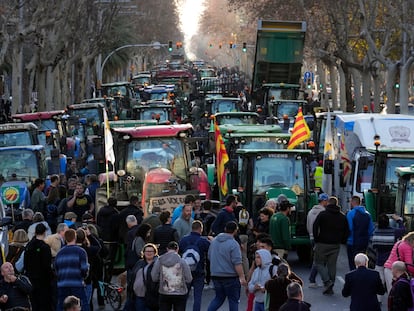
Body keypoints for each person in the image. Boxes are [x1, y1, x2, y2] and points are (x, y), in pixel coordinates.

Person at [313, 196, 349, 295]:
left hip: (322, 242)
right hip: (335, 244)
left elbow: (315, 226)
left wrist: (316, 239)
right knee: (332, 265)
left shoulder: (322, 214)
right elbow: (347, 230)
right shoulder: (342, 216)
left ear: (328, 203)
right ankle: (331, 285)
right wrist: (342, 241)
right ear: (337, 204)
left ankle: (327, 281)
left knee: (319, 263)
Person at [207, 221, 247, 311]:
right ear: (235, 231)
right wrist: (242, 276)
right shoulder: (234, 244)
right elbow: (237, 262)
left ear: (225, 229)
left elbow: (209, 256)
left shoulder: (214, 242)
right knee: (233, 300)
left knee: (218, 298)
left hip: (216, 275)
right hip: (230, 276)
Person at [151, 241, 193, 311]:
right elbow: (189, 278)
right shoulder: (182, 261)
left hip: (164, 292)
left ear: (167, 249)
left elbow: (154, 277)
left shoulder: (160, 260)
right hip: (180, 293)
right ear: (177, 249)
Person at [179, 220, 211, 311]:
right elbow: (210, 251)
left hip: (185, 270)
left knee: (184, 295)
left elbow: (180, 251)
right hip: (199, 270)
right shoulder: (203, 241)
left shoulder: (184, 240)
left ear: (191, 228)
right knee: (198, 296)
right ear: (200, 229)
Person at [55, 228, 90, 311]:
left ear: (65, 238)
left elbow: (56, 269)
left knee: (61, 305)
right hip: (76, 282)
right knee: (82, 304)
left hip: (62, 283)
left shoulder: (59, 253)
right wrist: (83, 277)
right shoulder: (81, 251)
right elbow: (84, 268)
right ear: (75, 237)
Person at [371, 213, 403, 298]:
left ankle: (378, 299)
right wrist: (399, 220)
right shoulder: (394, 231)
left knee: (379, 281)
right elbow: (403, 230)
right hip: (390, 261)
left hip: (379, 260)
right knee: (390, 283)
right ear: (388, 222)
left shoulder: (375, 231)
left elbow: (374, 246)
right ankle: (391, 299)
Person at [24, 223, 53, 311]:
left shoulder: (29, 246)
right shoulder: (45, 247)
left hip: (31, 278)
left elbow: (26, 263)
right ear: (44, 232)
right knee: (44, 303)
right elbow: (47, 265)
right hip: (43, 280)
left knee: (34, 303)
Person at [346, 195, 375, 270]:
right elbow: (371, 229)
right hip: (364, 242)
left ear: (352, 202)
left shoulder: (350, 213)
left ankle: (353, 276)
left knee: (353, 262)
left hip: (352, 242)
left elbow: (349, 228)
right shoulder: (368, 214)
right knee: (362, 260)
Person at [306, 192, 328, 287]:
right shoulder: (323, 212)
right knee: (320, 260)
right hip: (321, 239)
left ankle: (317, 279)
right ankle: (314, 280)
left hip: (312, 237)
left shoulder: (311, 211)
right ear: (324, 201)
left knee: (318, 259)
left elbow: (308, 225)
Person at [96, 197, 119, 281]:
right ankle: (108, 278)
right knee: (110, 260)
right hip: (112, 240)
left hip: (102, 238)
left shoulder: (100, 212)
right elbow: (116, 227)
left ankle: (101, 277)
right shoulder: (115, 214)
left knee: (102, 259)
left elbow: (98, 223)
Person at [131, 243, 159, 311]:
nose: (149, 253)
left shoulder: (158, 264)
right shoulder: (139, 263)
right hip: (139, 296)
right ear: (143, 252)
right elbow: (132, 277)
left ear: (155, 253)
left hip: (152, 297)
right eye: (147, 251)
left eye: (151, 251)